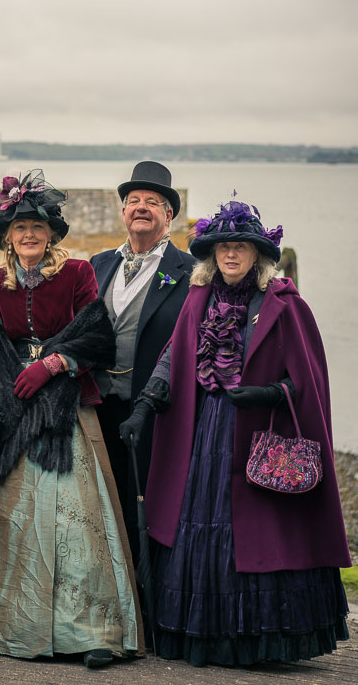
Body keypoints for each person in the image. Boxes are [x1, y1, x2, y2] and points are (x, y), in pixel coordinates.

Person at [128, 199, 350, 666]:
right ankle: (205, 636)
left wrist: (269, 393)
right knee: (199, 527)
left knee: (251, 534)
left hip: (252, 435)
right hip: (200, 433)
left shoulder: (286, 306)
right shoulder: (197, 299)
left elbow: (306, 383)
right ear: (213, 254)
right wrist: (146, 404)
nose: (231, 255)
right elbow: (173, 357)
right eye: (224, 247)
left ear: (258, 254)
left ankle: (256, 639)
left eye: (240, 248)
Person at [0, 171, 143, 669]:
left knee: (77, 524)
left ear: (51, 233)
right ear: (7, 236)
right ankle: (9, 625)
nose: (28, 235)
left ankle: (91, 632)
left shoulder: (76, 273)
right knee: (11, 520)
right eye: (19, 228)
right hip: (14, 411)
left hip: (65, 413)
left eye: (37, 227)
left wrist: (53, 364)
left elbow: (98, 335)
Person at [90, 161, 195, 555]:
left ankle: (151, 591)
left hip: (156, 411)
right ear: (122, 212)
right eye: (133, 200)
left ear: (168, 215)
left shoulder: (189, 272)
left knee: (152, 505)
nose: (141, 207)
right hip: (98, 405)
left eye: (153, 202)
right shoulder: (100, 264)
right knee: (103, 502)